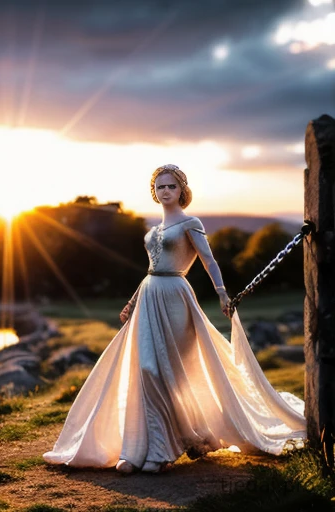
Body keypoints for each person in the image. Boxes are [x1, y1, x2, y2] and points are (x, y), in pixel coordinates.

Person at [42, 164, 306, 474]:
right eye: (160, 186)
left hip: (176, 297)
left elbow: (208, 260)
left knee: (168, 372)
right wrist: (132, 301)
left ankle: (164, 449)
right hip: (149, 297)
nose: (165, 191)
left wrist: (221, 292)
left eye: (171, 186)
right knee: (144, 370)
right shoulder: (153, 231)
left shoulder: (190, 223)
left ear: (182, 190)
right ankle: (139, 450)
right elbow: (151, 270)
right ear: (154, 192)